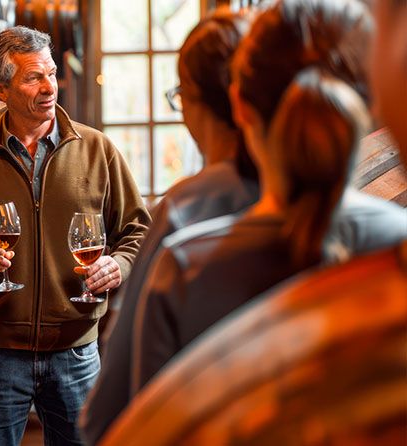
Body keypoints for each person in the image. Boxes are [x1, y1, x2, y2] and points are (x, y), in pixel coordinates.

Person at [127, 0, 407, 397]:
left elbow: (120, 425)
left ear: (239, 105)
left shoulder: (187, 270)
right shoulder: (397, 245)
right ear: (370, 99)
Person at [0, 26, 150, 445]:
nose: (49, 87)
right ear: (0, 88)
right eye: (33, 78)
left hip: (77, 352)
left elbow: (138, 231)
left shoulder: (98, 150)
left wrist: (118, 265)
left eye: (51, 73)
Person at [80, 9, 256, 444]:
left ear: (198, 104)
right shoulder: (335, 200)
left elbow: (110, 411)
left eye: (179, 97)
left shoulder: (183, 211)